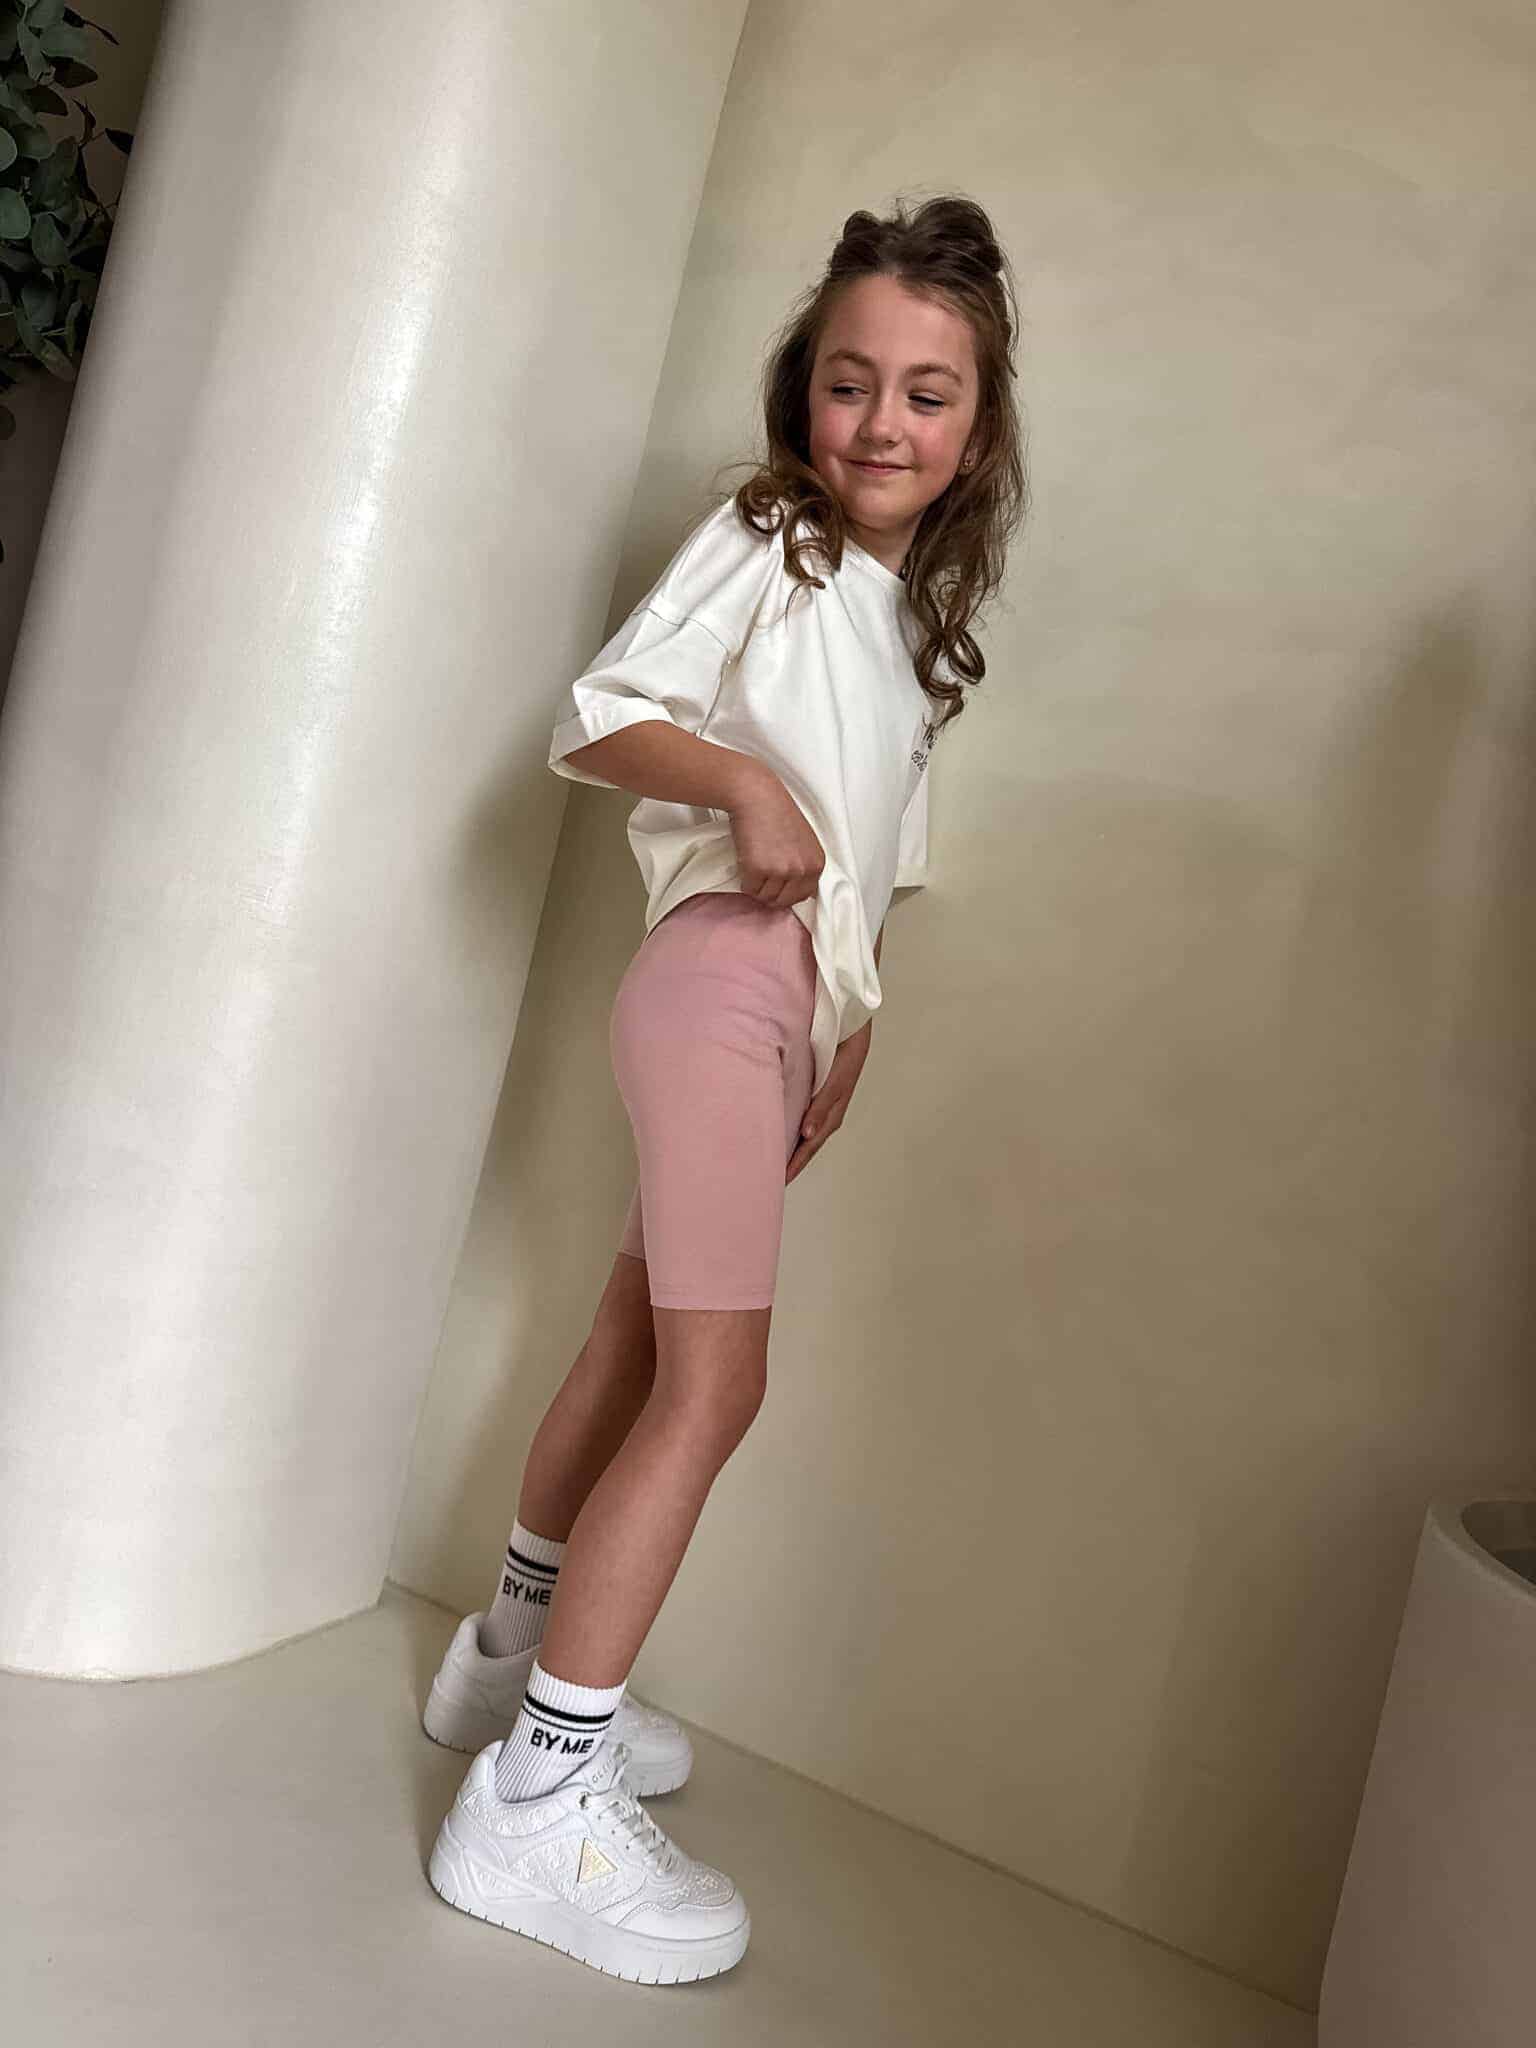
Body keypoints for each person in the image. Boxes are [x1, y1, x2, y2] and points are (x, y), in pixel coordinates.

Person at [425, 193, 1027, 1986]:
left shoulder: (908, 629)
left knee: (634, 1341)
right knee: (718, 1383)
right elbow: (604, 713)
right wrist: (747, 791)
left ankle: (509, 1663)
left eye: (927, 392)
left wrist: (855, 1024)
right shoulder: (774, 538)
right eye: (850, 381)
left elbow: (874, 861)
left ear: (977, 425)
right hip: (713, 986)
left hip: (777, 1012)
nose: (881, 422)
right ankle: (543, 1794)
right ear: (801, 394)